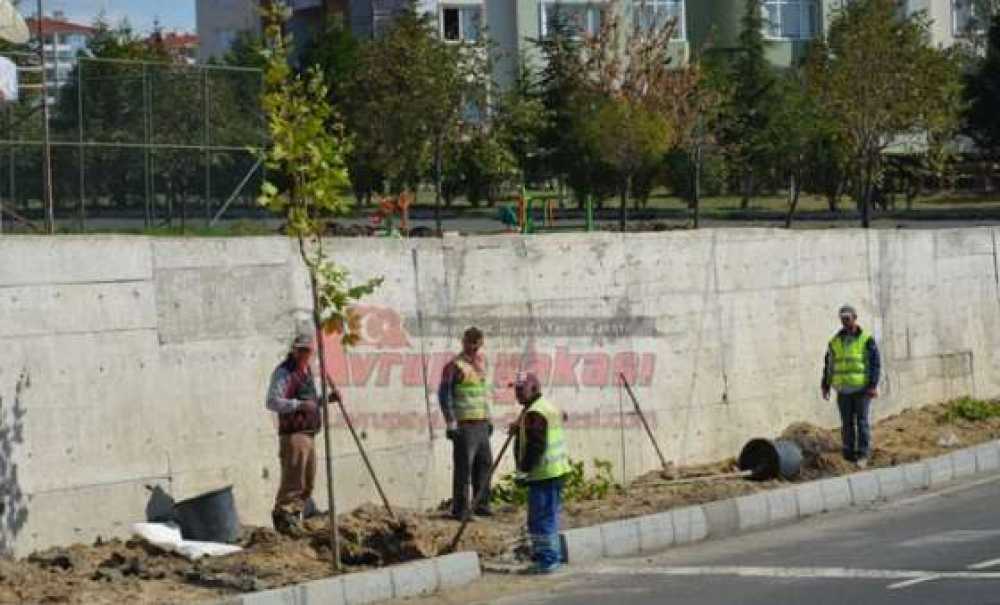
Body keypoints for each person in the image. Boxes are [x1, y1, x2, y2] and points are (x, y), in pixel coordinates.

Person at [266, 333, 340, 536]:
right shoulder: (284, 372)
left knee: (307, 482)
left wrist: (327, 399)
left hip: (309, 433)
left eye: (307, 351)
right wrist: (298, 405)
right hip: (294, 434)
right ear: (294, 350)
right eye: (300, 350)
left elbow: (310, 401)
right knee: (293, 481)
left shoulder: (307, 372)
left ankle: (296, 517)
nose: (304, 354)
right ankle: (284, 519)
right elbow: (272, 401)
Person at [511, 373, 570, 574]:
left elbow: (536, 445)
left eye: (521, 389)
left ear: (534, 388)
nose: (517, 393)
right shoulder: (546, 406)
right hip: (555, 471)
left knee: (540, 519)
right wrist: (519, 429)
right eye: (516, 389)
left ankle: (547, 560)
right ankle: (551, 556)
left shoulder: (534, 413)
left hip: (544, 472)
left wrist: (523, 471)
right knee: (548, 516)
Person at [439, 327, 493, 520]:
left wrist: (488, 418)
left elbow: (483, 395)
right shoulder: (454, 366)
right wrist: (451, 422)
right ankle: (461, 509)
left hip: (481, 423)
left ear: (481, 343)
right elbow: (444, 395)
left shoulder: (480, 364)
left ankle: (482, 505)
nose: (473, 346)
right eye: (470, 342)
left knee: (485, 464)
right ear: (463, 342)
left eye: (476, 342)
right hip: (464, 425)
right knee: (464, 468)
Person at [822, 305, 881, 469]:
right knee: (846, 423)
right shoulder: (835, 342)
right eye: (842, 318)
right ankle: (848, 454)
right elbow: (829, 365)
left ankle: (863, 454)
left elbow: (875, 363)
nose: (845, 321)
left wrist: (872, 385)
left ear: (855, 317)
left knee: (862, 422)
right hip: (843, 390)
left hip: (861, 389)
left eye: (848, 317)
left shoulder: (866, 339)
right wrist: (825, 385)